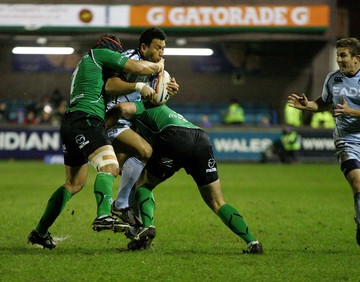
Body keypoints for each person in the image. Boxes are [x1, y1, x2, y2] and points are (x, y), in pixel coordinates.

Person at [27, 34, 165, 250]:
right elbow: (136, 67)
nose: (117, 58)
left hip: (71, 121)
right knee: (109, 166)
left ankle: (40, 232)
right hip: (87, 118)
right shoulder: (100, 54)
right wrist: (155, 70)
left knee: (74, 184)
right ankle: (104, 214)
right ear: (111, 49)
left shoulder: (86, 62)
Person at [105, 101, 263, 254]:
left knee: (143, 185)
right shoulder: (161, 108)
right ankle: (252, 242)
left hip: (175, 136)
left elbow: (123, 111)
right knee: (217, 201)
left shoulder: (138, 106)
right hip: (201, 137)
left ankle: (148, 227)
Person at [288, 37, 360, 245]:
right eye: (337, 55)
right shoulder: (333, 78)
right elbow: (324, 103)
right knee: (357, 182)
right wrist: (309, 104)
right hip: (347, 140)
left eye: (343, 55)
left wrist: (352, 112)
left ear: (357, 58)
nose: (339, 59)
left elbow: (350, 111)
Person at [104, 27, 179, 226]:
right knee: (144, 152)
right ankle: (119, 205)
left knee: (117, 170)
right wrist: (137, 86)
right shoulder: (128, 58)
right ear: (144, 47)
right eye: (157, 48)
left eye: (164, 48)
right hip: (113, 116)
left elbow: (154, 99)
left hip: (132, 122)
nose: (161, 53)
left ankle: (128, 224)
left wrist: (167, 92)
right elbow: (110, 86)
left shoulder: (157, 69)